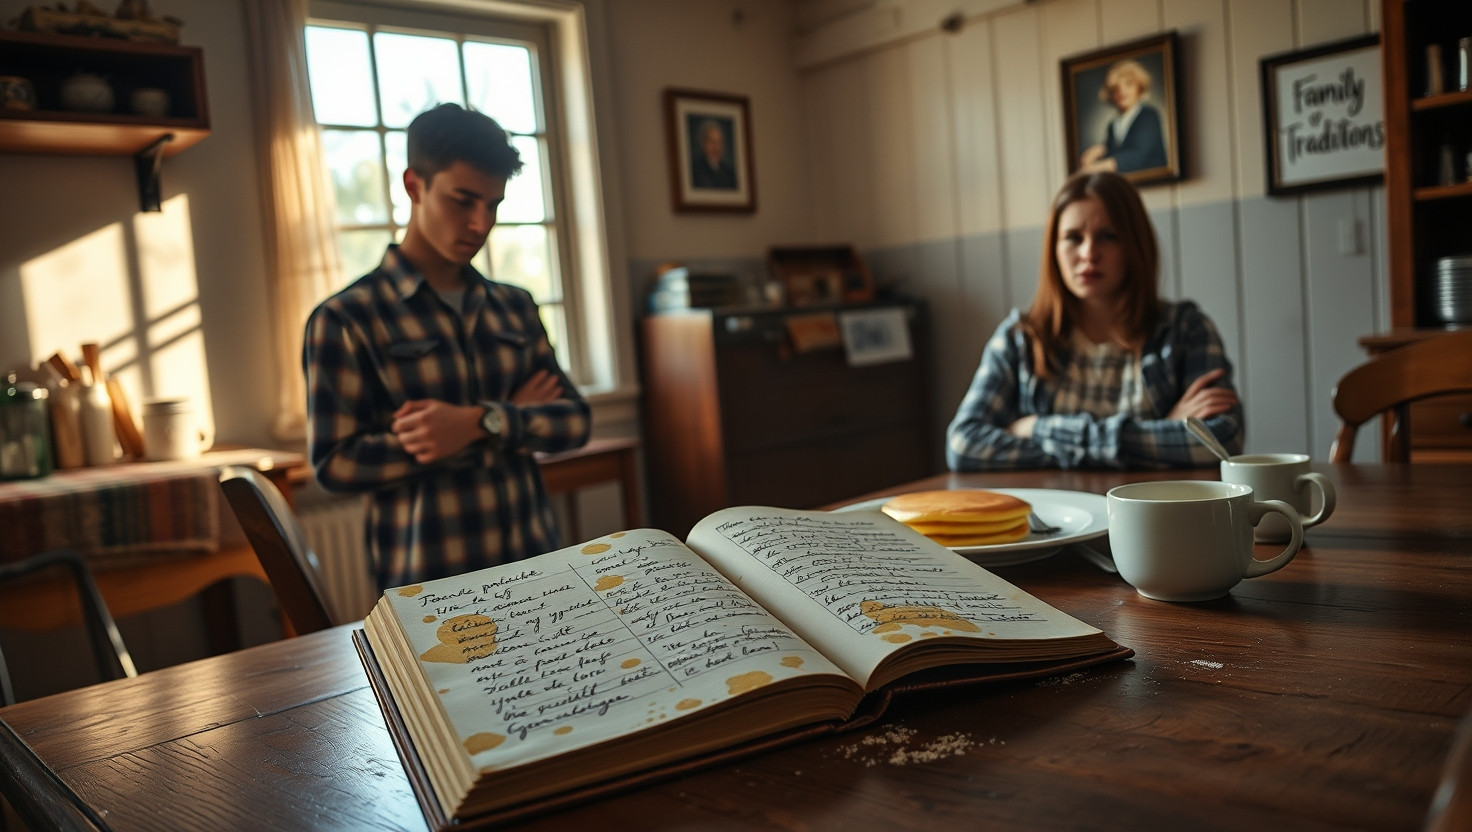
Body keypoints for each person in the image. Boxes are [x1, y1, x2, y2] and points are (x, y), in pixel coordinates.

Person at [303, 103, 590, 589]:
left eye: (493, 205)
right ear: (414, 186)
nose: (480, 223)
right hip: (430, 586)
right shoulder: (345, 319)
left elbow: (575, 422)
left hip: (538, 572)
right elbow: (336, 465)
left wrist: (477, 423)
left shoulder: (515, 307)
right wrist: (502, 426)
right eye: (463, 200)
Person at [946, 171, 1242, 470]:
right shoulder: (1020, 338)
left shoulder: (1185, 330)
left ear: (1134, 246)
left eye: (1108, 236)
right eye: (1073, 238)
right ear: (1054, 249)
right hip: (1052, 515)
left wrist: (1034, 429)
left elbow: (1223, 441)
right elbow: (963, 445)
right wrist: (1161, 431)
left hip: (1154, 513)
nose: (1089, 253)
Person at [1079, 58, 1168, 175]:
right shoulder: (1113, 125)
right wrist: (1099, 151)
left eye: (1128, 84)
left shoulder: (1148, 116)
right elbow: (1114, 152)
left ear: (1139, 88)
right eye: (1116, 88)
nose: (1122, 91)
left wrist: (1099, 167)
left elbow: (1138, 155)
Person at [690, 117, 737, 189]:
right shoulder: (694, 170)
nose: (716, 148)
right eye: (712, 142)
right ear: (702, 143)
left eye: (719, 142)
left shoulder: (729, 173)